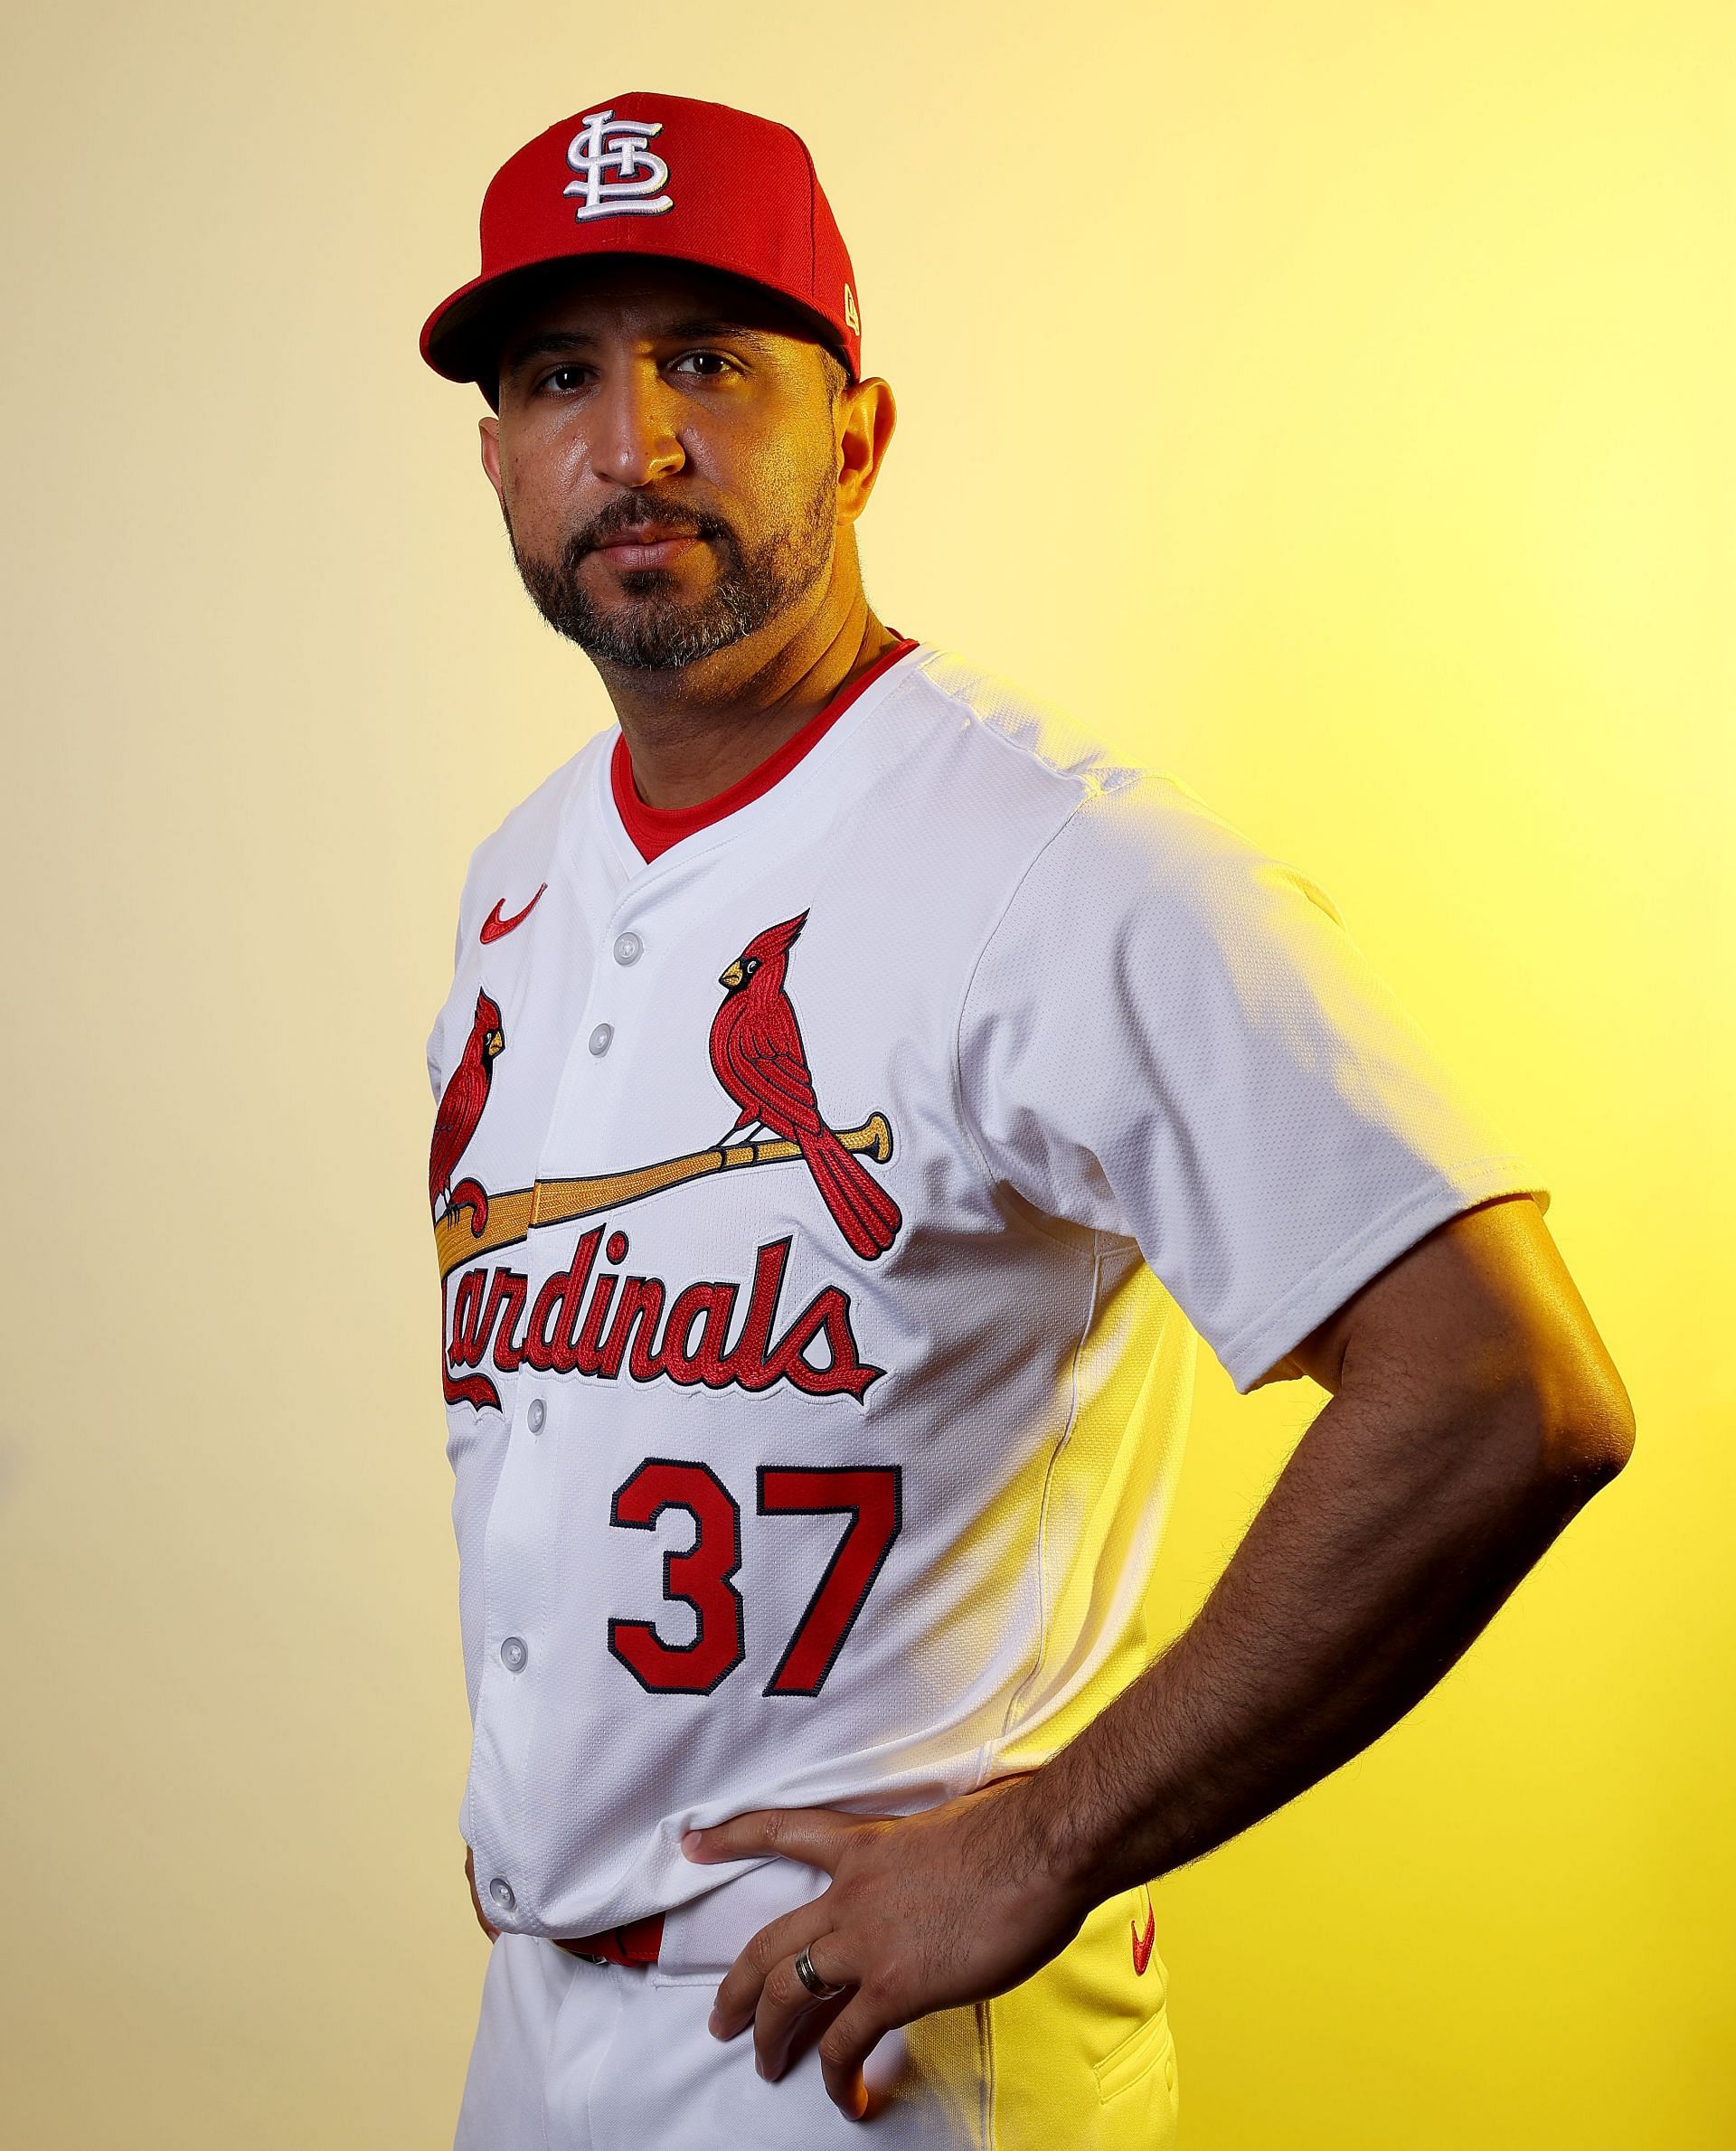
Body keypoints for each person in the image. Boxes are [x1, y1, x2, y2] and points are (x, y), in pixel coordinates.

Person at [417, 90, 1634, 2150]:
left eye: (708, 361)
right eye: (561, 377)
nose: (631, 442)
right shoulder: (519, 874)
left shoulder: (1062, 867)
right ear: (496, 462)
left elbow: (1503, 1389)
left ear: (860, 432)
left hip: (877, 2054)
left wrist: (1042, 1839)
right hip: (542, 2025)